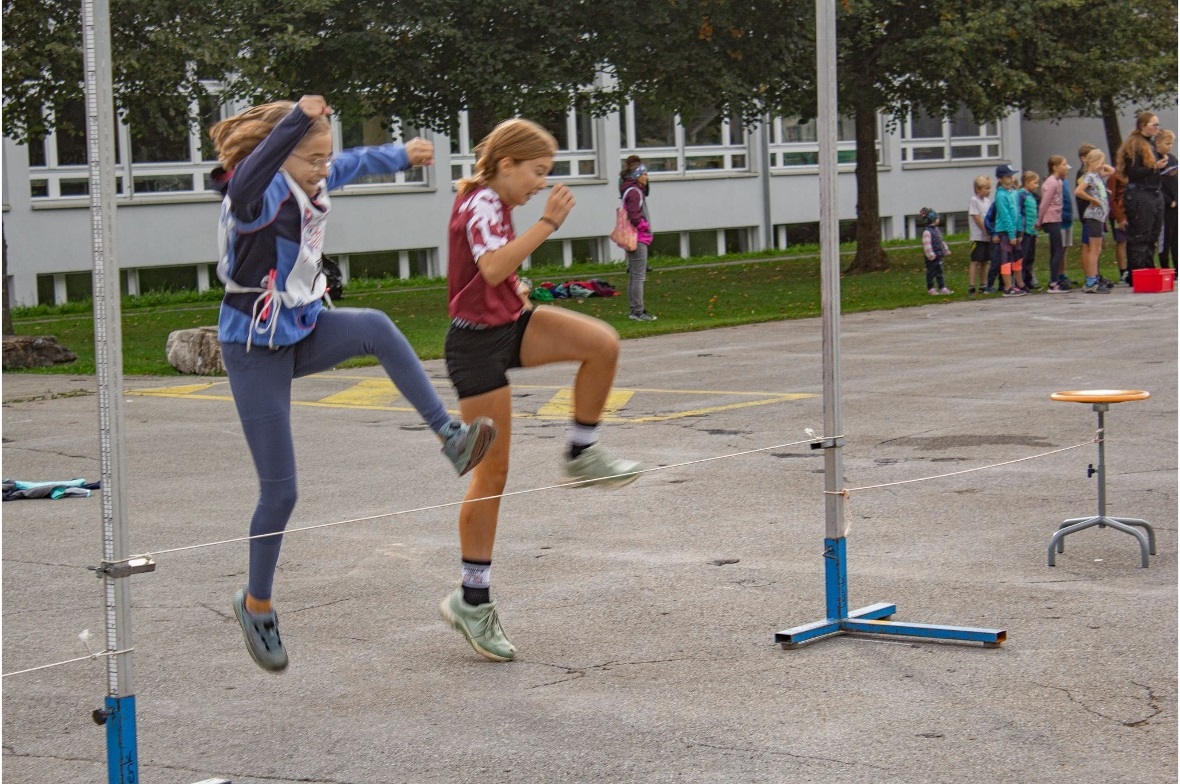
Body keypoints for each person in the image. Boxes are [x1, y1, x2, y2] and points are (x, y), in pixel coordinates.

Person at [211, 95, 497, 672]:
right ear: (282, 153)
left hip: (301, 327)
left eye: (325, 158)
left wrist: (400, 154)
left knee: (375, 327)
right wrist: (296, 117)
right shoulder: (254, 192)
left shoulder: (311, 172)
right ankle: (257, 604)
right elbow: (250, 175)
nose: (324, 168)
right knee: (282, 492)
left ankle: (450, 437)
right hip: (253, 350)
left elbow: (353, 163)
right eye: (312, 158)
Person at [440, 118, 642, 662]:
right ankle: (472, 600)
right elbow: (491, 268)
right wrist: (549, 223)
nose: (540, 184)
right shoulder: (482, 202)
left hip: (510, 324)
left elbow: (496, 277)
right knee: (493, 473)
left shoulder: (495, 205)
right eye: (537, 172)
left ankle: (581, 451)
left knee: (601, 343)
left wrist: (518, 288)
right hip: (476, 348)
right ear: (506, 164)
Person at [1116, 111, 1167, 273]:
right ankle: (1138, 272)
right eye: (1154, 125)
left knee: (1153, 234)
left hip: (1154, 193)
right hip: (1140, 193)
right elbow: (1133, 172)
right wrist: (1154, 167)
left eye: (1158, 125)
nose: (1156, 128)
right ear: (1143, 126)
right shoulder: (1135, 144)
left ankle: (1148, 269)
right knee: (1140, 235)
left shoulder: (1150, 143)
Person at [619, 156, 657, 321]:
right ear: (636, 175)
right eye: (644, 174)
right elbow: (634, 216)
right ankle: (638, 311)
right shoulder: (635, 192)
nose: (647, 177)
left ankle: (635, 310)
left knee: (635, 275)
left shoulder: (630, 189)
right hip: (637, 237)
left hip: (633, 237)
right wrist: (644, 227)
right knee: (639, 276)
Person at [1074, 148, 1113, 293]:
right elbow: (1078, 191)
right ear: (1094, 162)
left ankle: (1093, 278)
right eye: (1101, 161)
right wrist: (1093, 200)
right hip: (1094, 216)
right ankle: (1091, 281)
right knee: (1094, 250)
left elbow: (1112, 171)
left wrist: (1101, 165)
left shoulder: (1097, 175)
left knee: (1097, 249)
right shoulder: (1089, 177)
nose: (1103, 164)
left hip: (1100, 217)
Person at [1036, 155, 1073, 292]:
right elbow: (1044, 203)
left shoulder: (1058, 182)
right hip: (1051, 219)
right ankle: (1053, 282)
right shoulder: (1051, 183)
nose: (1066, 167)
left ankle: (1054, 280)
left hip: (1057, 218)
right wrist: (1039, 221)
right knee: (1058, 249)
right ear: (1055, 167)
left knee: (1056, 250)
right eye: (1064, 164)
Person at [990, 163, 1027, 297]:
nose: (1011, 179)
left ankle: (1020, 283)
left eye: (1011, 176)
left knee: (1018, 257)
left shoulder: (1014, 193)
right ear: (1000, 179)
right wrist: (1011, 234)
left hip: (1015, 230)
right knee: (1006, 258)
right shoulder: (1000, 195)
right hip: (1005, 231)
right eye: (1007, 177)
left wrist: (1019, 231)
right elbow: (1005, 216)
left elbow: (1017, 212)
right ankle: (1007, 286)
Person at [1155, 129, 1177, 269]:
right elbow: (1157, 184)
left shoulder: (1173, 159)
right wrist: (1169, 200)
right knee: (1165, 238)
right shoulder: (1155, 160)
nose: (1170, 146)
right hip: (1164, 205)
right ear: (1158, 143)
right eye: (1167, 143)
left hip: (1176, 203)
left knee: (1176, 237)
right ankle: (1165, 266)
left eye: (1171, 143)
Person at [967, 175, 992, 295]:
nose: (989, 191)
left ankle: (984, 284)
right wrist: (985, 230)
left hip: (987, 237)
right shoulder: (974, 201)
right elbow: (976, 217)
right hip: (977, 237)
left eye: (989, 188)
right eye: (986, 188)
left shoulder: (987, 202)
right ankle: (972, 286)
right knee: (975, 260)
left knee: (985, 261)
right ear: (978, 189)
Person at [918, 207, 952, 295]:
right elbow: (927, 244)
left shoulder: (937, 230)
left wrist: (945, 249)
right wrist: (930, 254)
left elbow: (941, 241)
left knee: (939, 272)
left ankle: (942, 287)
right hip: (932, 257)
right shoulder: (927, 232)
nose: (938, 219)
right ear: (932, 219)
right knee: (931, 272)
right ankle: (931, 288)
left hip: (939, 255)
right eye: (937, 218)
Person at [1106, 164, 1130, 284]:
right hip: (1119, 213)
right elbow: (1112, 199)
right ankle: (1123, 271)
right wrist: (1119, 217)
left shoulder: (1132, 173)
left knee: (1131, 241)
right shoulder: (1115, 176)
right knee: (1122, 241)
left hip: (1130, 211)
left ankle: (1132, 267)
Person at [1018, 170, 1041, 290]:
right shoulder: (1021, 195)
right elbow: (1021, 214)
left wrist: (1036, 232)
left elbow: (1034, 214)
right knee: (1024, 256)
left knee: (1030, 256)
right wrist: (1020, 230)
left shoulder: (1031, 196)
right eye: (1035, 183)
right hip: (1025, 232)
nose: (1037, 185)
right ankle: (1020, 280)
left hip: (1031, 231)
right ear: (1027, 182)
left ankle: (1028, 278)